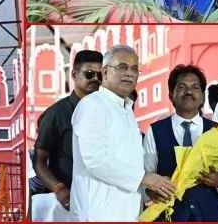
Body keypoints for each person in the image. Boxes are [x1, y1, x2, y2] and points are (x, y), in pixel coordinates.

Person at [71, 45, 175, 221]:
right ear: (104, 72)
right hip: (98, 212)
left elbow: (130, 165)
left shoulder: (126, 109)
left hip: (126, 211)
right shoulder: (92, 105)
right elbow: (95, 160)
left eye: (135, 69)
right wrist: (145, 178)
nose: (129, 73)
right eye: (122, 67)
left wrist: (148, 190)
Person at [143, 65, 218, 221]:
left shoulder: (217, 131)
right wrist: (150, 191)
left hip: (209, 216)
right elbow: (146, 173)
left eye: (195, 87)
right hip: (170, 216)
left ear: (202, 97)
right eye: (182, 87)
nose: (188, 92)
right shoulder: (156, 131)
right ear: (171, 95)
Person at [33, 50, 103, 220]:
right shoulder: (56, 114)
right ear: (74, 74)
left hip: (100, 200)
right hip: (67, 202)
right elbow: (39, 161)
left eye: (100, 75)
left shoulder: (107, 112)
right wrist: (59, 189)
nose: (95, 79)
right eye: (89, 74)